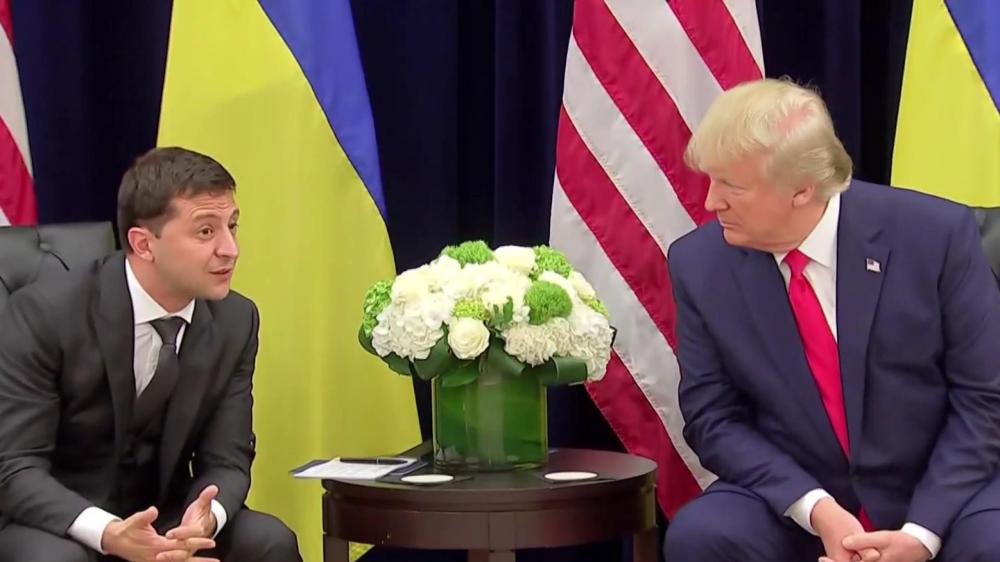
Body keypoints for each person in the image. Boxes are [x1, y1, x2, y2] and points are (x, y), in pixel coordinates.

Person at [663, 78, 1000, 562]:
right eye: (712, 180)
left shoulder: (935, 236)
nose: (711, 202)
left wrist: (922, 533)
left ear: (802, 189)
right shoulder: (699, 264)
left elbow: (984, 400)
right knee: (703, 536)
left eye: (732, 186)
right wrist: (816, 508)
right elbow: (712, 418)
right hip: (796, 492)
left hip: (940, 489)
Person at [0, 147, 302, 561]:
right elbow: (14, 467)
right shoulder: (46, 312)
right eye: (206, 232)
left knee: (269, 541)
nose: (230, 249)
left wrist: (203, 520)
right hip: (60, 521)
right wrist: (109, 533)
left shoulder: (236, 320)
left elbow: (228, 458)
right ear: (143, 244)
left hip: (165, 517)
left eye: (232, 226)